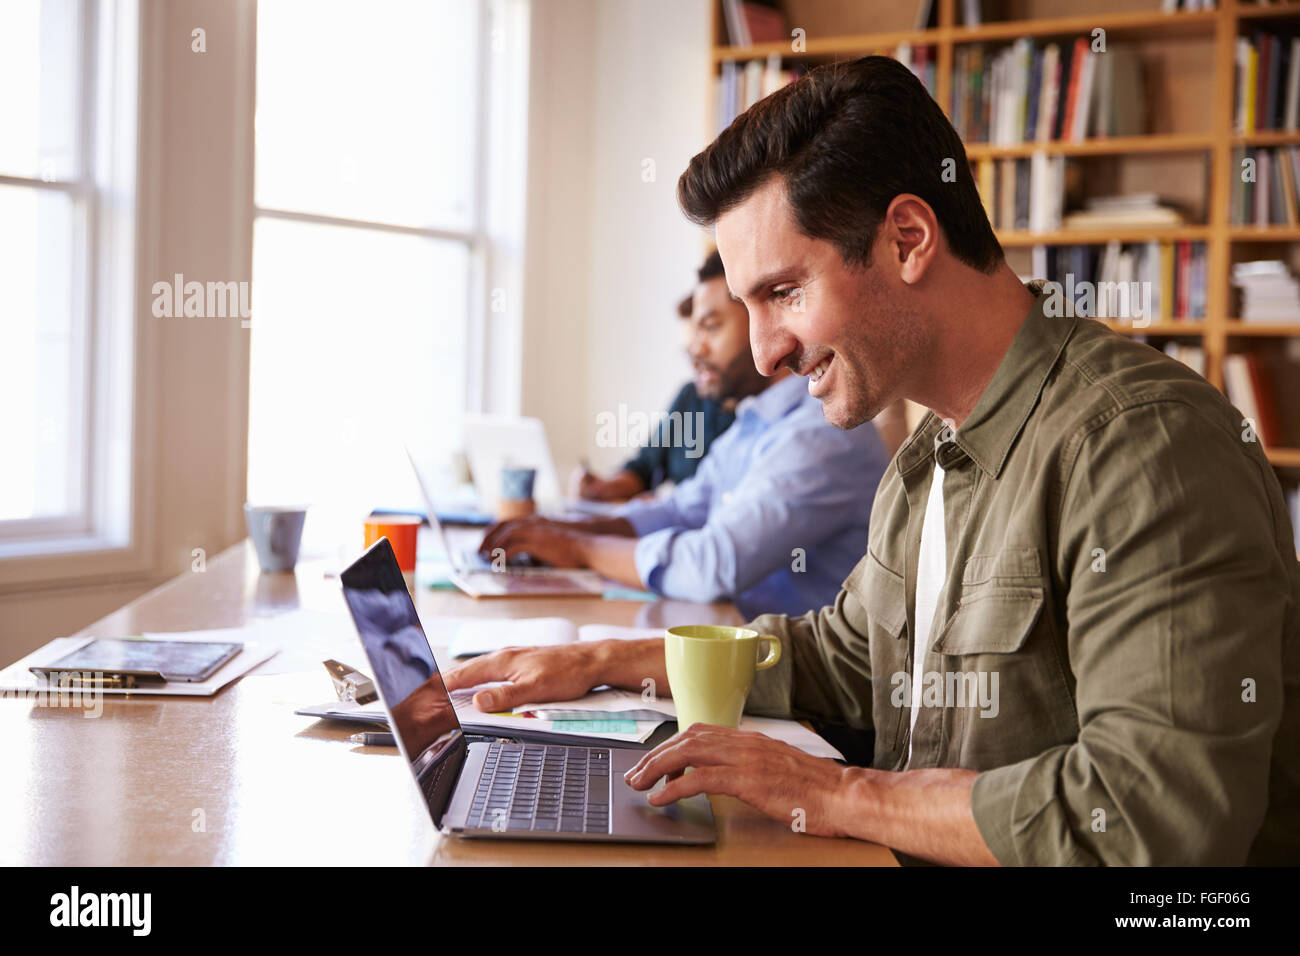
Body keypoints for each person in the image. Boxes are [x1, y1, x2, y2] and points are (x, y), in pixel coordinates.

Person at [449, 56, 1300, 866]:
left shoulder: (1141, 444)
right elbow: (844, 658)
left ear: (906, 239)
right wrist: (601, 662)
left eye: (784, 293)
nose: (767, 352)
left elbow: (1153, 822)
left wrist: (836, 793)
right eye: (748, 306)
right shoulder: (926, 461)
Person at [479, 250, 891, 620]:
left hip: (795, 684)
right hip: (735, 644)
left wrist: (581, 549)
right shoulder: (753, 422)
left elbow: (714, 564)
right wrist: (570, 531)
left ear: (763, 323)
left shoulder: (822, 433)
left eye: (710, 327)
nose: (694, 348)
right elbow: (681, 510)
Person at [577, 288, 736, 503]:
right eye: (689, 352)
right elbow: (644, 467)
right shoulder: (691, 396)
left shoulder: (759, 411)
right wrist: (605, 488)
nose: (697, 360)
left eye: (704, 347)